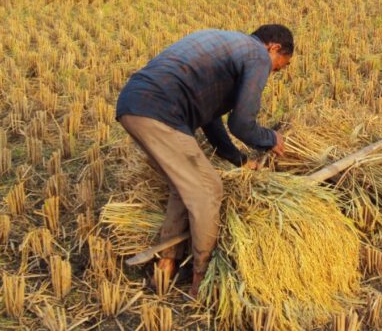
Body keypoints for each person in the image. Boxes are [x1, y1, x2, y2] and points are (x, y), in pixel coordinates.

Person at [115, 25, 293, 297]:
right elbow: (241, 123)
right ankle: (203, 278)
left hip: (134, 103)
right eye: (280, 66)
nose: (274, 72)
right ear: (274, 48)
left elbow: (211, 121)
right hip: (161, 109)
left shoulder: (229, 46)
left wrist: (238, 160)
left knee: (185, 185)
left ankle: (166, 266)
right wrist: (270, 138)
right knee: (209, 188)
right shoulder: (257, 55)